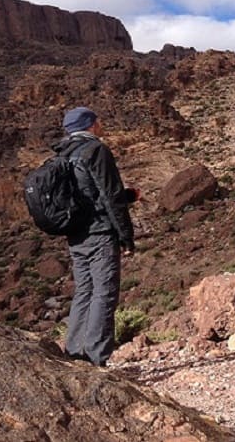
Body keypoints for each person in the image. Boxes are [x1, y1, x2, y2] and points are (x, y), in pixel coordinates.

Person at [55, 106, 135, 368]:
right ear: (90, 124)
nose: (101, 124)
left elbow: (89, 194)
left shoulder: (63, 153)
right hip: (100, 232)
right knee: (104, 292)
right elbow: (109, 195)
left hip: (76, 235)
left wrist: (128, 196)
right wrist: (126, 236)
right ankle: (96, 358)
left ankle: (75, 353)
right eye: (97, 120)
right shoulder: (96, 150)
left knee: (84, 292)